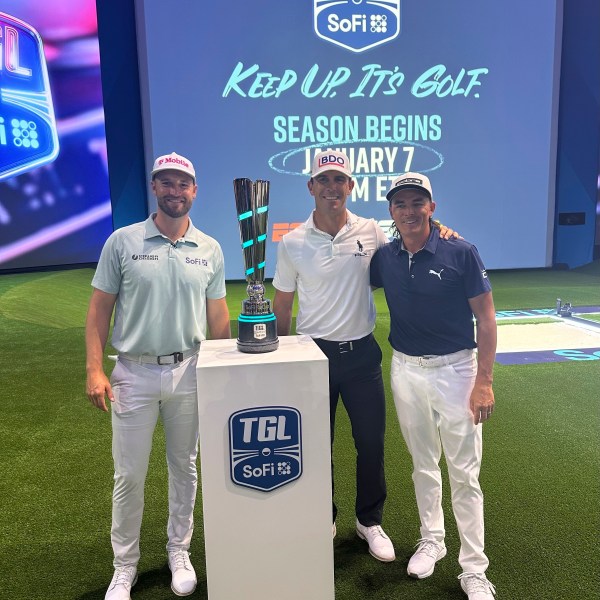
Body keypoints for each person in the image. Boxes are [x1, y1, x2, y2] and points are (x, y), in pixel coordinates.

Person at [272, 150, 455, 562]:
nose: (331, 188)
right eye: (323, 180)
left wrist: (443, 230)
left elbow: (412, 240)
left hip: (361, 357)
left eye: (339, 180)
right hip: (312, 358)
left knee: (370, 443)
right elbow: (282, 306)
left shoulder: (371, 230)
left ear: (350, 186)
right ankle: (325, 519)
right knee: (318, 445)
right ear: (311, 187)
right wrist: (281, 362)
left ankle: (369, 521)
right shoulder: (294, 242)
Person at [85, 152, 231, 600]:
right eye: (166, 183)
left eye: (182, 184)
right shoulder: (123, 241)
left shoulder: (209, 248)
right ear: (154, 188)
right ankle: (123, 567)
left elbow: (219, 318)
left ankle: (178, 551)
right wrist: (94, 368)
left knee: (184, 468)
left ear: (194, 191)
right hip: (133, 372)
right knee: (129, 474)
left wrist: (224, 372)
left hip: (188, 370)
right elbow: (98, 312)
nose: (175, 191)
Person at [370, 172, 497, 599]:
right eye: (400, 204)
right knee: (423, 463)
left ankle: (474, 568)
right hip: (405, 370)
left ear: (432, 207)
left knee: (464, 473)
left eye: (416, 202)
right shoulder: (385, 256)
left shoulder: (460, 251)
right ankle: (433, 539)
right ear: (391, 211)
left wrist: (484, 381)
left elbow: (487, 318)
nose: (409, 211)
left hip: (457, 371)